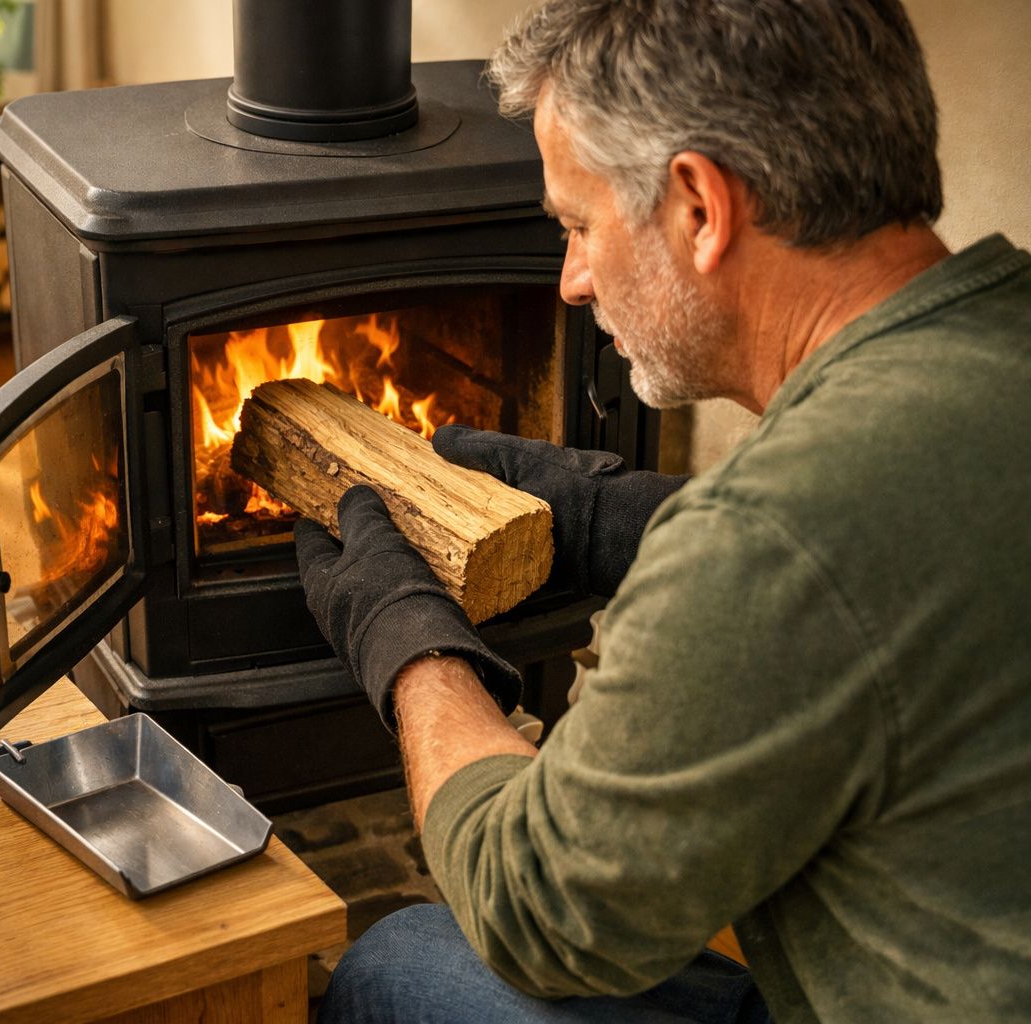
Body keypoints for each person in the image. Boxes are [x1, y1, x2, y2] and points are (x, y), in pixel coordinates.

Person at [296, 1, 1031, 1021]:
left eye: (578, 224)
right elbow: (913, 550)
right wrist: (613, 517)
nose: (571, 280)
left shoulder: (774, 536)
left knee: (400, 965)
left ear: (698, 205)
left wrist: (405, 638)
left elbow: (535, 907)